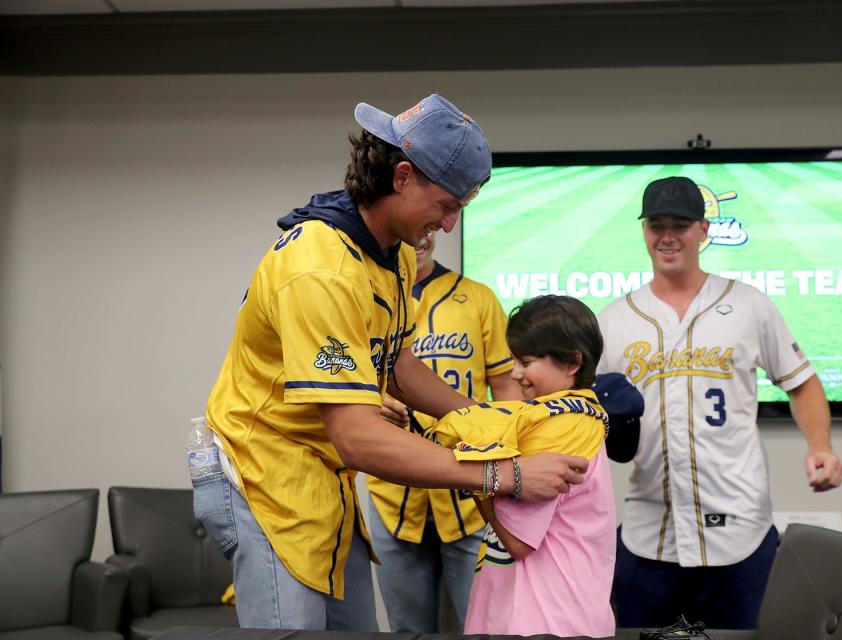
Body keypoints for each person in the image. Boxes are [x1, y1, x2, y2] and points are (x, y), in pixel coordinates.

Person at [193, 94, 589, 631]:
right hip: (264, 475)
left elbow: (396, 363)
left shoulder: (394, 250)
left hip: (323, 473)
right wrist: (506, 474)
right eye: (447, 205)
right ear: (402, 176)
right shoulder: (321, 268)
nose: (449, 226)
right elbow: (358, 437)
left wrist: (482, 417)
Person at [596, 176, 842, 630]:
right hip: (648, 531)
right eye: (656, 225)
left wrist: (821, 446)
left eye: (681, 225)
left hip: (740, 529)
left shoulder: (749, 305)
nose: (667, 236)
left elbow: (802, 383)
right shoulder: (615, 319)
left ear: (704, 231)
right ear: (644, 231)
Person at [425, 295, 634, 638]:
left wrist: (480, 480)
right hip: (526, 612)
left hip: (551, 620)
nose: (516, 374)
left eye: (527, 361)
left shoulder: (566, 426)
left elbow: (518, 542)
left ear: (571, 363)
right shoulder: (551, 418)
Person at [366, 230, 523, 632]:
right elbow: (341, 383)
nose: (421, 239)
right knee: (407, 632)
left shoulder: (478, 297)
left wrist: (510, 464)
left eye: (429, 230)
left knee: (486, 627)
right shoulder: (365, 296)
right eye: (411, 232)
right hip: (393, 494)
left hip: (471, 497)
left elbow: (506, 388)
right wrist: (371, 401)